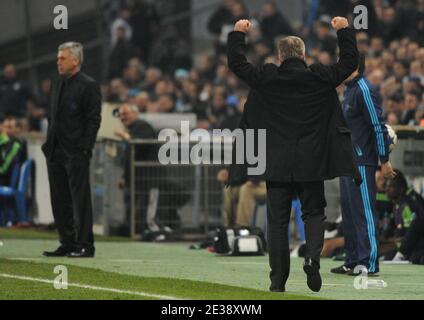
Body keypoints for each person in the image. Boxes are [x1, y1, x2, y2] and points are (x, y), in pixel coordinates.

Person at [226, 17, 360, 292]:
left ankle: (278, 282)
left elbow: (237, 64)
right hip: (312, 160)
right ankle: (311, 256)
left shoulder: (267, 77)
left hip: (276, 163)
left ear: (279, 56)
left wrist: (238, 34)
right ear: (303, 54)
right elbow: (349, 63)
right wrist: (344, 31)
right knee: (313, 213)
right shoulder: (319, 76)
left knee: (277, 222)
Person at [331, 54, 396, 276]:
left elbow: (378, 126)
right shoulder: (349, 89)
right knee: (349, 214)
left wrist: (384, 160)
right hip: (347, 161)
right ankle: (353, 259)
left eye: (342, 59)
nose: (339, 63)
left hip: (362, 162)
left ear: (353, 64)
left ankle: (369, 262)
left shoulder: (364, 90)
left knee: (364, 213)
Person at [42, 42, 102, 258]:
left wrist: (85, 148)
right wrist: (49, 144)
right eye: (58, 58)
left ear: (75, 60)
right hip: (55, 150)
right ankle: (67, 242)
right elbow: (52, 116)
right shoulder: (57, 83)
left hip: (75, 151)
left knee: (80, 199)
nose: (58, 61)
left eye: (62, 58)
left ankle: (86, 244)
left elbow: (93, 120)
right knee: (59, 198)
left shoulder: (89, 85)